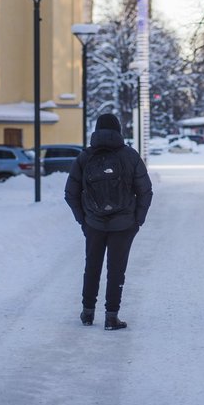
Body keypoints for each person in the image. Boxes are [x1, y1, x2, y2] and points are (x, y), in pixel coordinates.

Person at [65, 113, 153, 331]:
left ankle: (87, 313)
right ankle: (111, 317)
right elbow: (145, 191)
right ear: (118, 131)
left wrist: (83, 220)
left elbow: (70, 193)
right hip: (124, 225)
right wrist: (137, 221)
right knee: (116, 270)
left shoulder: (85, 157)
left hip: (93, 223)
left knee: (92, 266)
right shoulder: (130, 156)